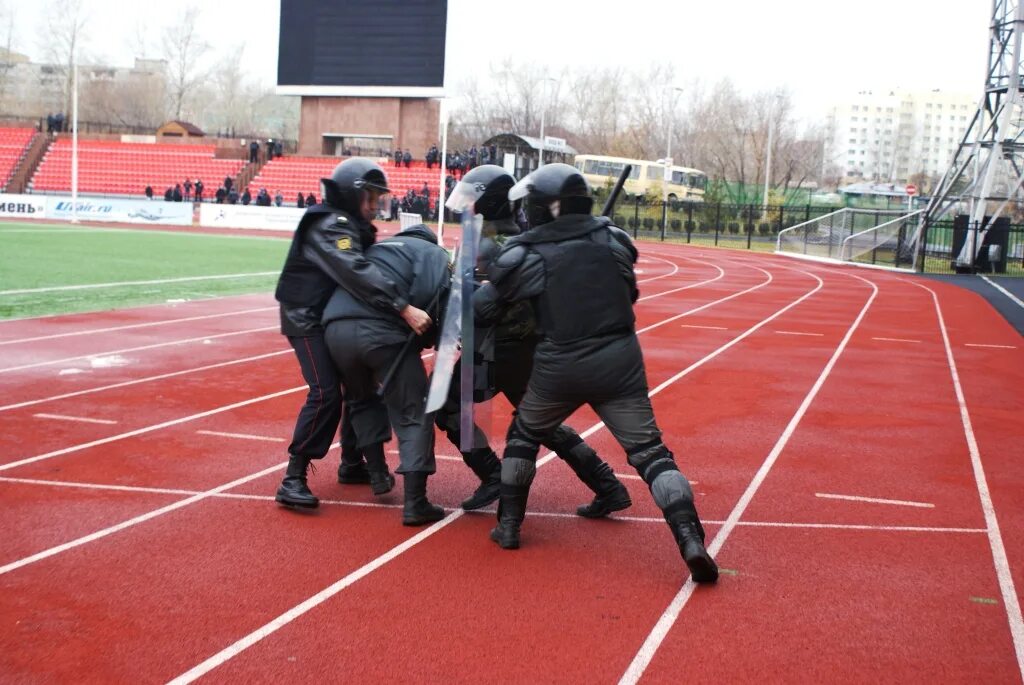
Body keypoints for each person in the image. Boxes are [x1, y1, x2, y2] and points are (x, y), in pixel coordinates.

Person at [477, 163, 718, 583]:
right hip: (620, 362)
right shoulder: (615, 240)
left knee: (524, 436)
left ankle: (509, 525)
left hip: (560, 363)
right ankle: (690, 539)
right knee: (652, 455)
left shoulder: (524, 253)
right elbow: (629, 292)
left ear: (542, 208)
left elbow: (484, 306)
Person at [438, 164, 631, 514]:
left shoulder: (488, 244)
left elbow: (470, 301)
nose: (466, 207)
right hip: (525, 348)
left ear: (489, 203)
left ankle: (492, 475)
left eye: (472, 200)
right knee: (543, 423)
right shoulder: (522, 239)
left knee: (450, 409)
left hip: (496, 348)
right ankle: (606, 483)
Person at [273, 158, 432, 509]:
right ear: (350, 194)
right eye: (370, 198)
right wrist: (403, 307)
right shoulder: (330, 225)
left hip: (326, 316)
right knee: (326, 392)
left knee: (356, 387)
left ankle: (351, 463)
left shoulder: (348, 225)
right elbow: (356, 270)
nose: (375, 207)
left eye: (379, 199)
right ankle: (293, 477)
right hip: (306, 318)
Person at [322, 222, 449, 525]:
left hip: (334, 329)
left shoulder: (376, 249)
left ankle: (378, 474)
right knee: (413, 411)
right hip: (381, 332)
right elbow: (434, 299)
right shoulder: (433, 253)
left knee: (360, 400)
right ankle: (415, 503)